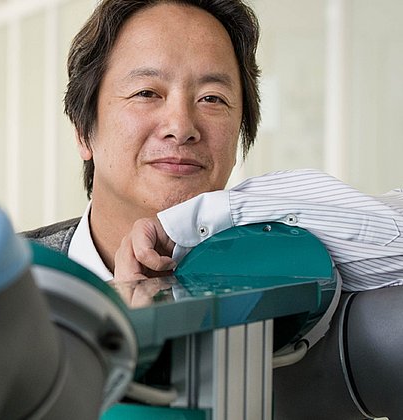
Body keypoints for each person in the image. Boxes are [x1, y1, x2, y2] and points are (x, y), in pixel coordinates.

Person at [22, 0, 403, 308]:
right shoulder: (2, 280)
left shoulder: (288, 273)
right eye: (147, 93)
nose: (181, 126)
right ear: (83, 130)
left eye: (212, 99)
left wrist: (211, 217)